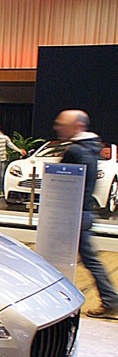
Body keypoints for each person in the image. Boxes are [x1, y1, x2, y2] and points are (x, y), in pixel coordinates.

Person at [54, 110, 118, 319]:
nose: (57, 127)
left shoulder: (75, 151)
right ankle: (109, 299)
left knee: (60, 258)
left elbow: (61, 182)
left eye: (62, 124)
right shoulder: (91, 149)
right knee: (88, 259)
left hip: (71, 214)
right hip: (83, 213)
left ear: (77, 126)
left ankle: (109, 300)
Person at [0, 123, 26, 196]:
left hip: (2, 159)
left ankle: (1, 190)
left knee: (2, 176)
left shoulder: (4, 138)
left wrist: (19, 150)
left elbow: (11, 145)